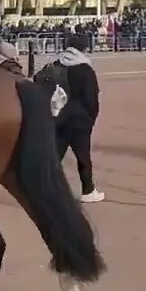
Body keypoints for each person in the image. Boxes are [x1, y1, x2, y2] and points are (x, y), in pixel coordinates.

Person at [51, 33, 104, 203]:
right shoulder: (85, 68)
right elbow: (92, 98)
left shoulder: (57, 64)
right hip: (79, 120)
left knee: (54, 157)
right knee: (83, 157)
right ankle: (88, 190)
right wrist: (90, 120)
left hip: (58, 117)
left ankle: (47, 190)